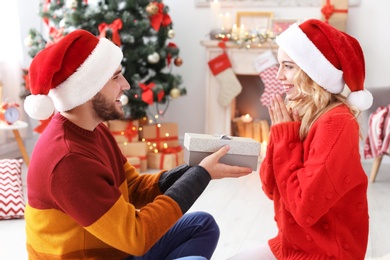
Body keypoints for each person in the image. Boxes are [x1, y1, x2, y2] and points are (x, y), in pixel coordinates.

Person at [23, 29, 253, 260]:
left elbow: (133, 188)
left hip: (114, 250)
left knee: (202, 225)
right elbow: (137, 238)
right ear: (87, 89)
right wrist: (200, 175)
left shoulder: (93, 130)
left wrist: (196, 169)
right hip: (105, 252)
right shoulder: (68, 160)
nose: (126, 85)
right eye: (115, 77)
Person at [229, 19, 373, 259]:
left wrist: (285, 138)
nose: (278, 75)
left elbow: (303, 209)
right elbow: (271, 188)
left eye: (288, 66)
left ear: (313, 72)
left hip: (325, 254)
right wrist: (279, 133)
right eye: (279, 65)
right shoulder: (302, 113)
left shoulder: (337, 123)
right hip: (291, 245)